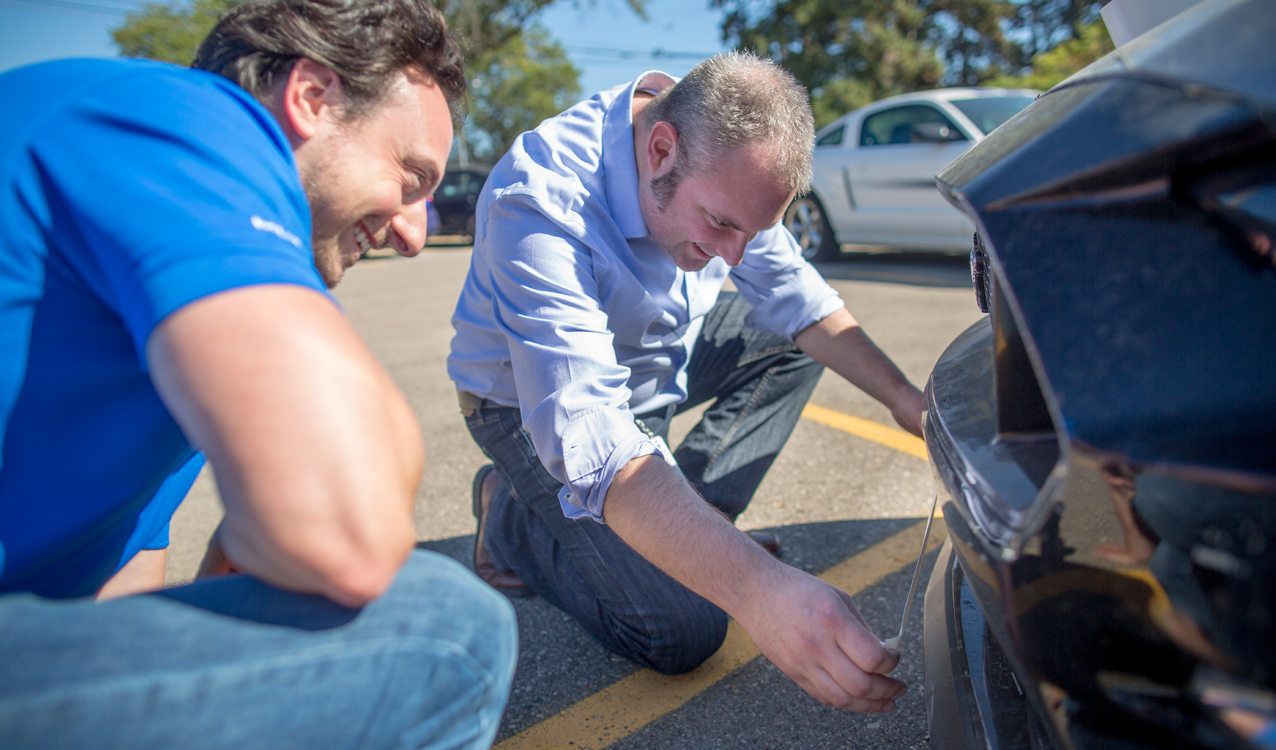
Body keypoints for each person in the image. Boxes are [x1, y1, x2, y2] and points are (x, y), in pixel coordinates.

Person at [0, 2, 516, 748]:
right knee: (444, 637)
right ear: (311, 98)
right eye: (410, 178)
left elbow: (121, 609)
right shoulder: (184, 126)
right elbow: (351, 531)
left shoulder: (166, 332)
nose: (414, 231)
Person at [449, 51, 924, 713]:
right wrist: (758, 591)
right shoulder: (540, 198)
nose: (735, 255)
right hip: (524, 402)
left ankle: (693, 522)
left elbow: (801, 303)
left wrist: (910, 402)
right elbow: (590, 435)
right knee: (683, 629)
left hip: (648, 369)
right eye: (722, 225)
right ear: (661, 148)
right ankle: (507, 519)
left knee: (789, 341)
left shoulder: (721, 162)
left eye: (752, 231)